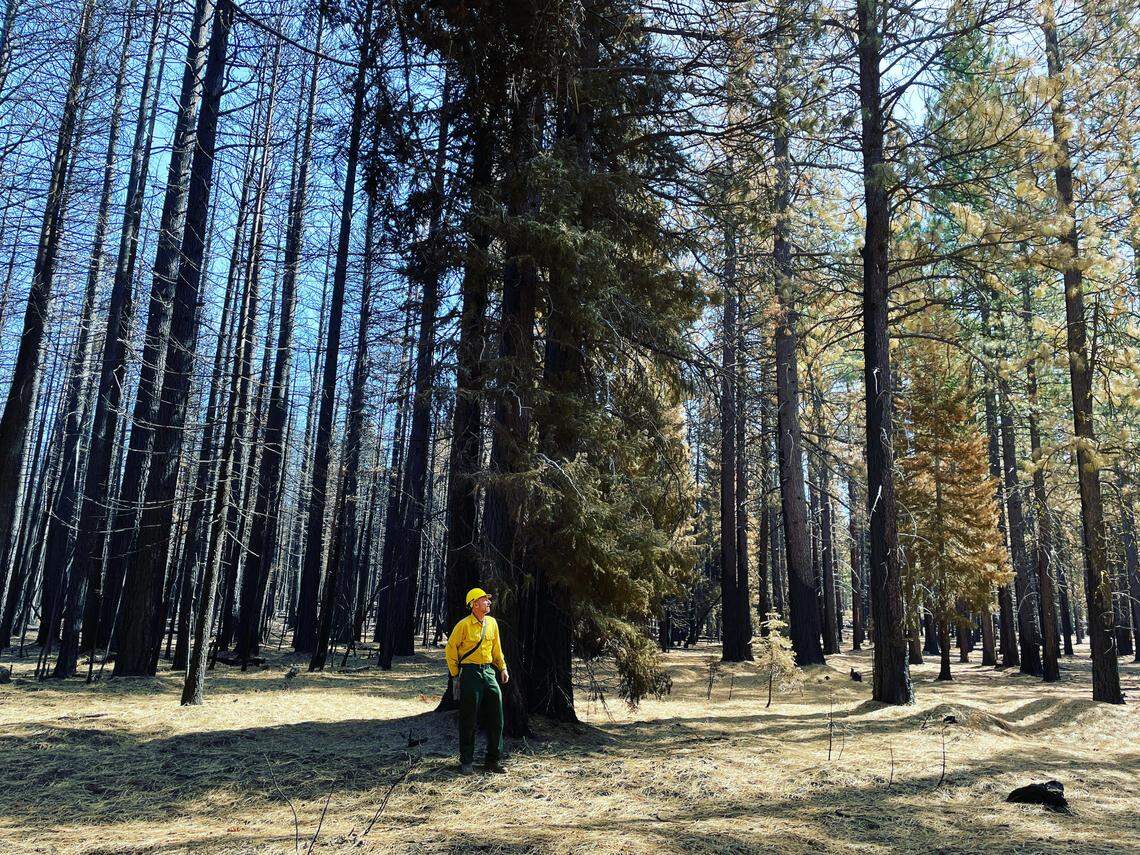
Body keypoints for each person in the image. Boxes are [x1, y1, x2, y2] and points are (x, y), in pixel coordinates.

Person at [444, 587, 509, 775]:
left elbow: (497, 649)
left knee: (497, 716)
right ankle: (466, 761)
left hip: (489, 672)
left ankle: (493, 761)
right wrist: (456, 673)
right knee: (468, 718)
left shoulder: (492, 623)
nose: (488, 602)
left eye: (488, 600)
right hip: (470, 673)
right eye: (484, 600)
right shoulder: (463, 625)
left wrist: (502, 667)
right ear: (474, 604)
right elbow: (450, 649)